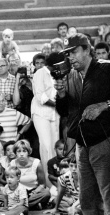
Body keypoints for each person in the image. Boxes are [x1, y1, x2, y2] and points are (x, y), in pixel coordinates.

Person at [55, 33, 110, 215]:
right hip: (83, 146)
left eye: (74, 52)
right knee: (87, 200)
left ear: (88, 50)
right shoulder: (73, 76)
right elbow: (66, 111)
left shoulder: (109, 68)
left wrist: (104, 105)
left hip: (107, 140)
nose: (70, 57)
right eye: (68, 54)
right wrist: (62, 93)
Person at [31, 52, 63, 184]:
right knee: (46, 146)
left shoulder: (58, 73)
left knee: (55, 146)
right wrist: (59, 104)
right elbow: (40, 96)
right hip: (41, 112)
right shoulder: (40, 73)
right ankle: (48, 184)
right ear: (55, 64)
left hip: (54, 113)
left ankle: (58, 182)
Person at [0, 140, 51, 209]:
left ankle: (13, 205)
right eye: (19, 151)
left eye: (24, 151)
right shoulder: (13, 163)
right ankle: (32, 206)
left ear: (28, 152)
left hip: (32, 192)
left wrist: (34, 192)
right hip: (16, 191)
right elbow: (8, 179)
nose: (21, 154)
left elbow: (42, 184)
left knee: (46, 193)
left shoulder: (36, 163)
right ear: (15, 153)